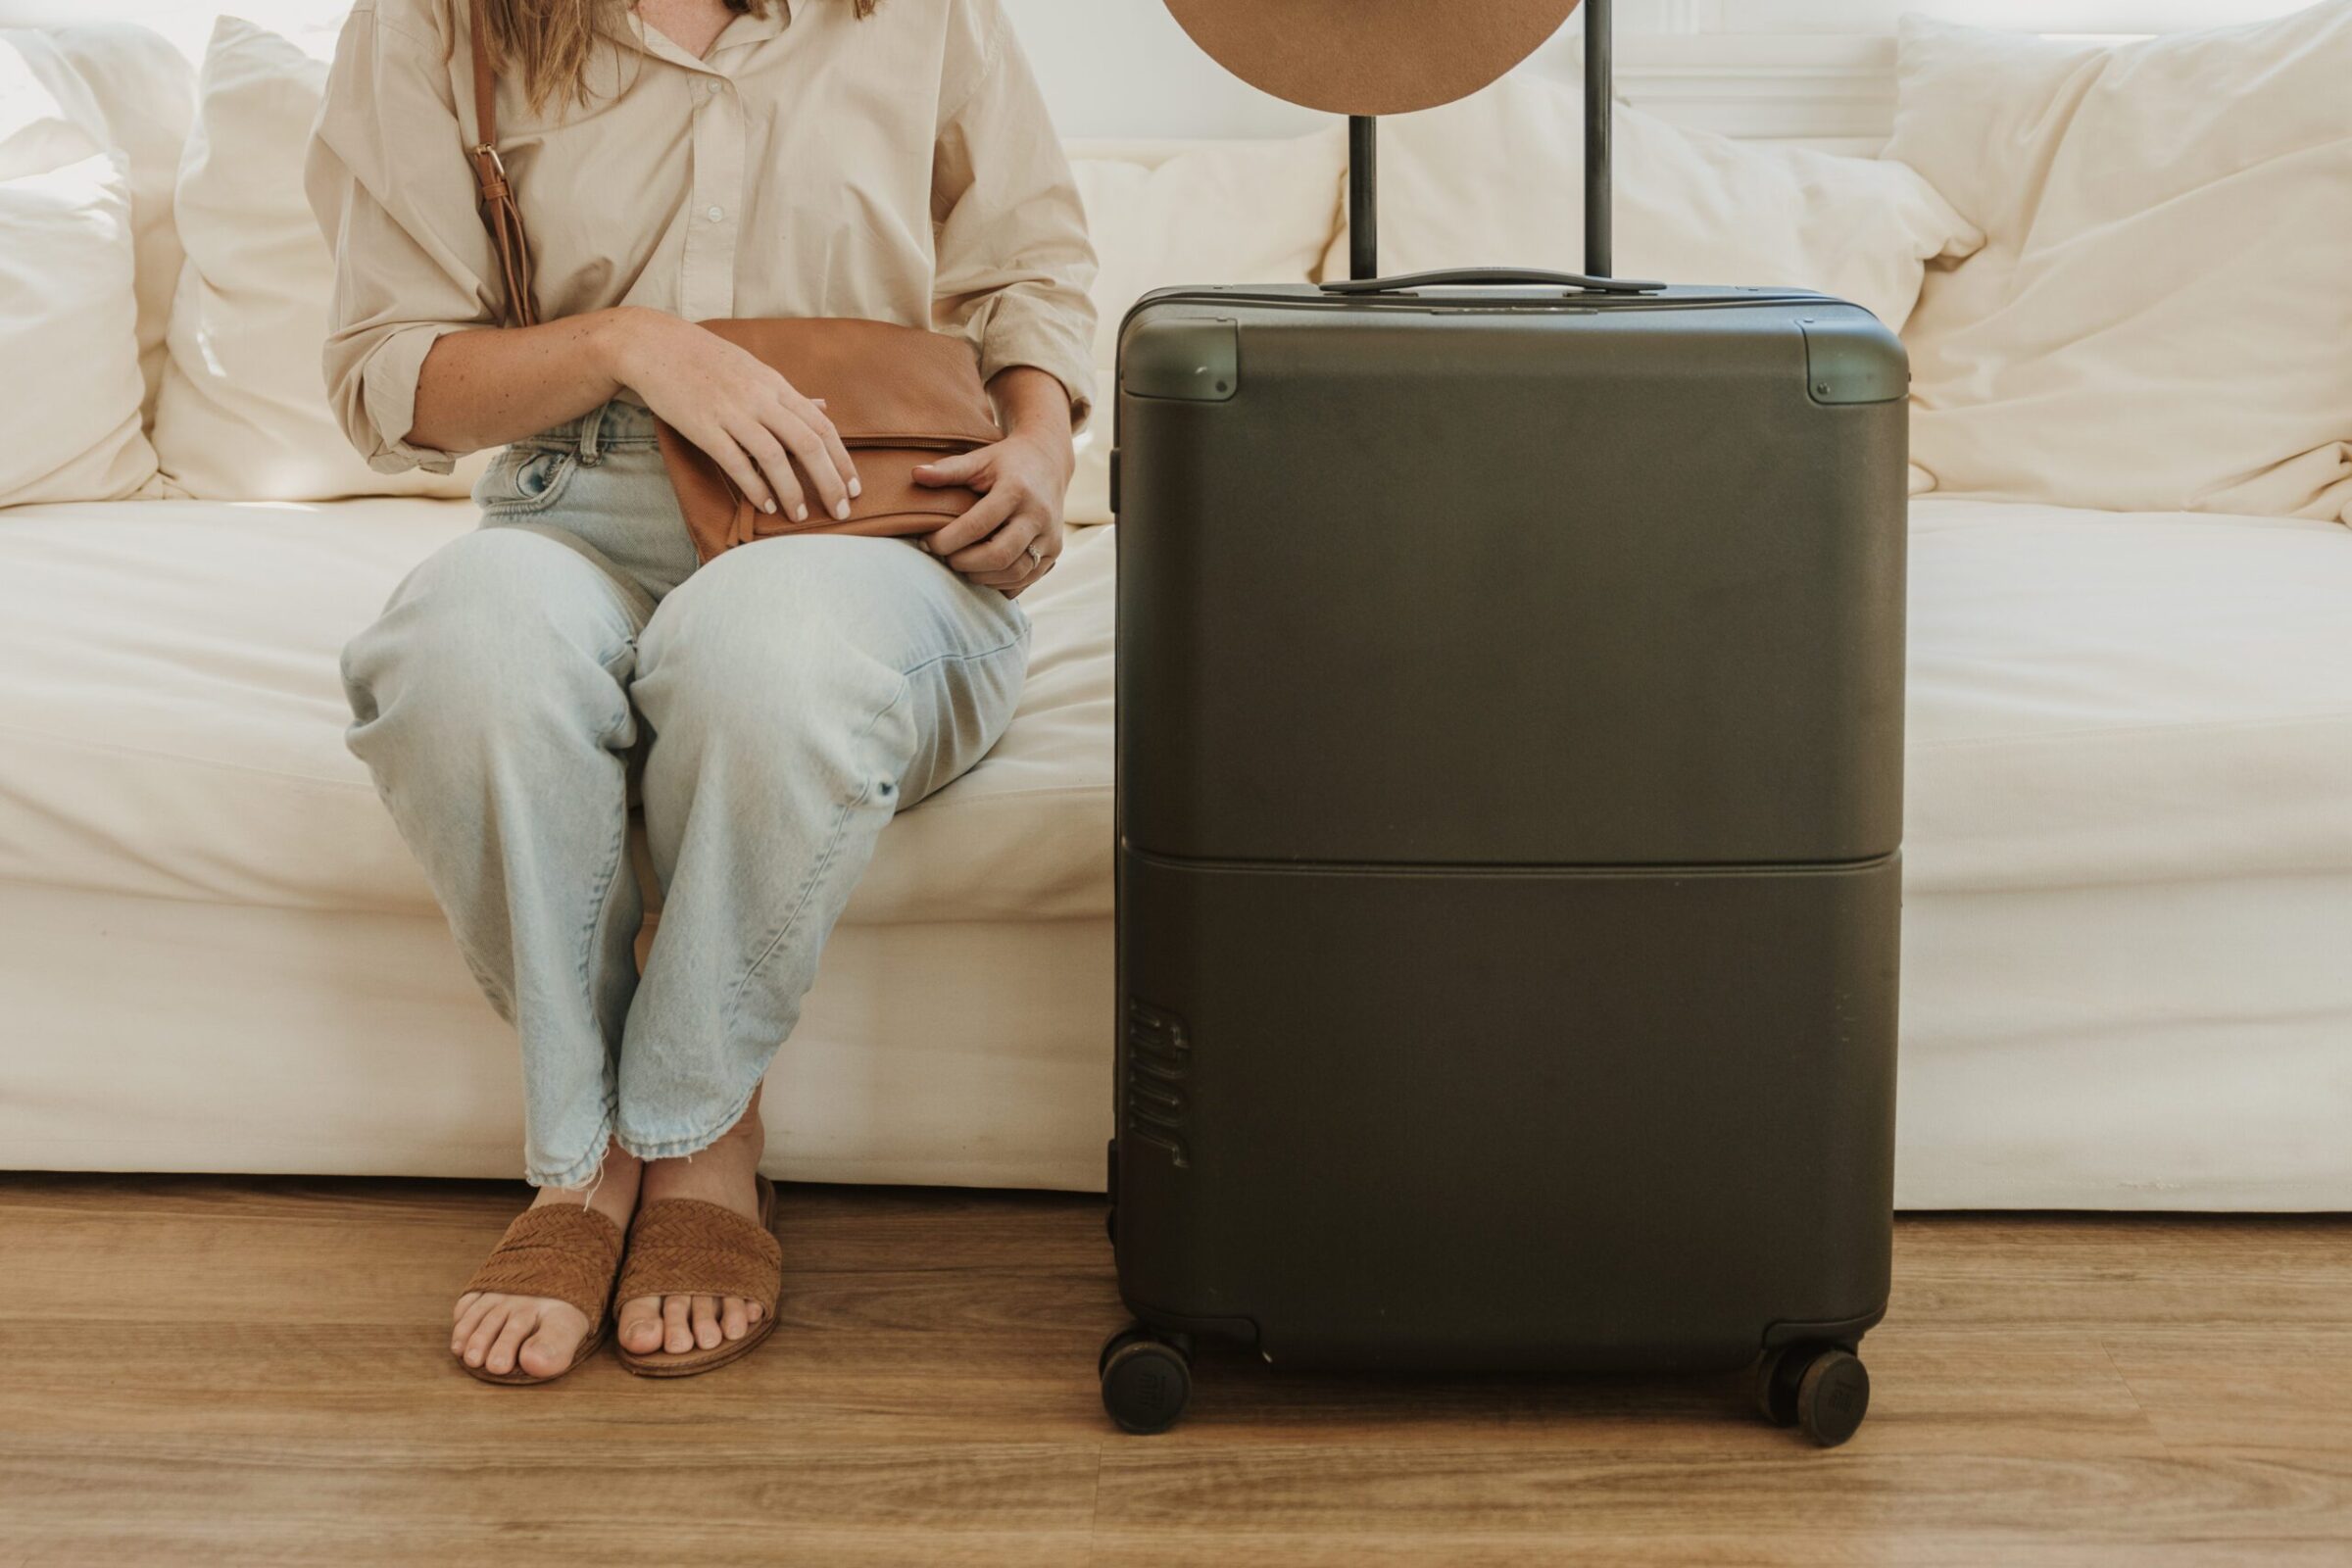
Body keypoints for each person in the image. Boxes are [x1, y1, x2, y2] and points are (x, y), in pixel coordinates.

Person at [305, 0, 1096, 1383]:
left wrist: (1041, 451)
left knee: (763, 648)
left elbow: (1029, 273)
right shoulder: (441, 19)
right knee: (459, 649)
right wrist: (630, 344)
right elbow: (393, 371)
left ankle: (694, 1134)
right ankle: (583, 1158)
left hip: (874, 516)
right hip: (575, 497)